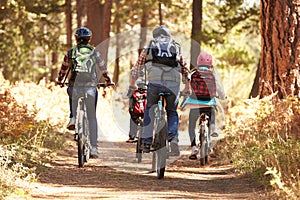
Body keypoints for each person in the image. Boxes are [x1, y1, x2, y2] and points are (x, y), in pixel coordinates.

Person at [128, 25, 190, 156]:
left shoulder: (150, 46)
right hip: (173, 84)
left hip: (154, 83)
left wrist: (132, 84)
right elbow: (184, 67)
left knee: (149, 109)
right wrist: (187, 86)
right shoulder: (176, 46)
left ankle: (146, 141)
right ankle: (173, 140)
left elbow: (138, 67)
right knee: (172, 112)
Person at [57, 27, 113, 158]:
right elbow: (103, 68)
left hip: (75, 86)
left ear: (76, 39)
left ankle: (73, 117)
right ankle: (94, 148)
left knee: (71, 92)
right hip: (90, 87)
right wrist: (108, 80)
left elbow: (63, 70)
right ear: (89, 39)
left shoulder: (70, 53)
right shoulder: (95, 52)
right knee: (92, 117)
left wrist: (60, 80)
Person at [185, 52, 226, 160]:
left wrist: (185, 94)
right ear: (210, 64)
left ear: (198, 63)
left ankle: (194, 147)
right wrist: (223, 96)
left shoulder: (192, 74)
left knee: (192, 124)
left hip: (195, 103)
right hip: (208, 103)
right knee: (211, 114)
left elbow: (187, 87)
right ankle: (212, 130)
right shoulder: (213, 75)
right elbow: (220, 90)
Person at [126, 79, 147, 143]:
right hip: (145, 111)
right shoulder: (147, 92)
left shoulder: (134, 92)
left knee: (133, 121)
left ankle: (132, 136)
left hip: (135, 112)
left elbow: (130, 101)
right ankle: (146, 137)